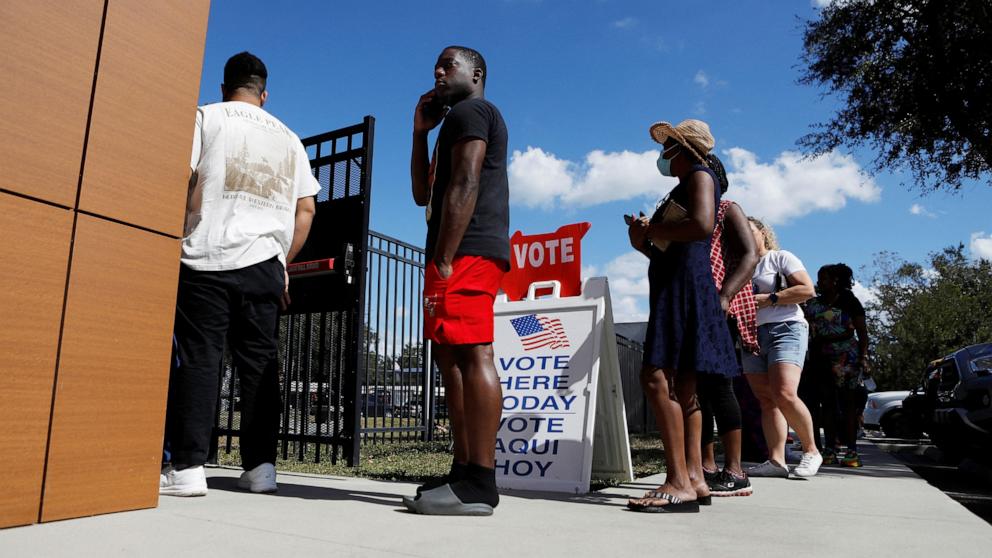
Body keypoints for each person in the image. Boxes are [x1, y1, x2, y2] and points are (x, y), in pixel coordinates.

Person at [159, 52, 319, 497]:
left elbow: (181, 177)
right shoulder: (290, 139)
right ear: (264, 94)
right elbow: (305, 210)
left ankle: (188, 468)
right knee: (260, 366)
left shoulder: (206, 117)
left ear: (224, 86)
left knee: (200, 358)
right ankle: (261, 468)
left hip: (206, 256)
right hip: (265, 264)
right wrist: (282, 260)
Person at [404, 46, 509, 516]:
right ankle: (463, 471)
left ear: (477, 74)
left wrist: (446, 256)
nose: (438, 72)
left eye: (449, 65)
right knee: (451, 360)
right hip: (453, 251)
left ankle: (480, 483)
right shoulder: (452, 122)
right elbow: (421, 193)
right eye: (436, 67)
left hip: (466, 249)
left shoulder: (473, 110)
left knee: (472, 353)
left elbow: (466, 183)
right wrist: (418, 133)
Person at [626, 119, 740, 513]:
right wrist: (644, 240)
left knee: (657, 378)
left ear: (684, 149)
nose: (663, 155)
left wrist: (652, 226)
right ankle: (694, 479)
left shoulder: (700, 176)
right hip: (680, 282)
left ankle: (677, 480)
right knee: (685, 389)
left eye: (669, 146)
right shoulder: (686, 184)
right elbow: (675, 246)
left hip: (684, 291)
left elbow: (703, 224)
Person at [697, 154, 759, 497]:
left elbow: (750, 255)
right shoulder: (691, 213)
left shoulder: (726, 209)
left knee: (720, 387)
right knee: (697, 391)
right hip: (692, 309)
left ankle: (735, 469)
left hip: (721, 310)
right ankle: (706, 465)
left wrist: (725, 296)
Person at [743, 218, 821, 478]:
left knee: (784, 392)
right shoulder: (740, 267)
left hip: (785, 328)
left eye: (749, 230)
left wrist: (770, 299)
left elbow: (807, 289)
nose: (744, 235)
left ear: (762, 233)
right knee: (766, 400)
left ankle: (811, 451)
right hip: (750, 335)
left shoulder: (779, 258)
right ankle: (776, 461)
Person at [805, 263, 870, 467]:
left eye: (823, 278)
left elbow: (862, 332)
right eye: (819, 278)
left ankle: (852, 451)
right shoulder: (813, 303)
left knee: (848, 405)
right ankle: (829, 449)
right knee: (827, 405)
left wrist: (863, 357)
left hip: (846, 359)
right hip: (819, 358)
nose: (819, 282)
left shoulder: (850, 302)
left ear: (835, 280)